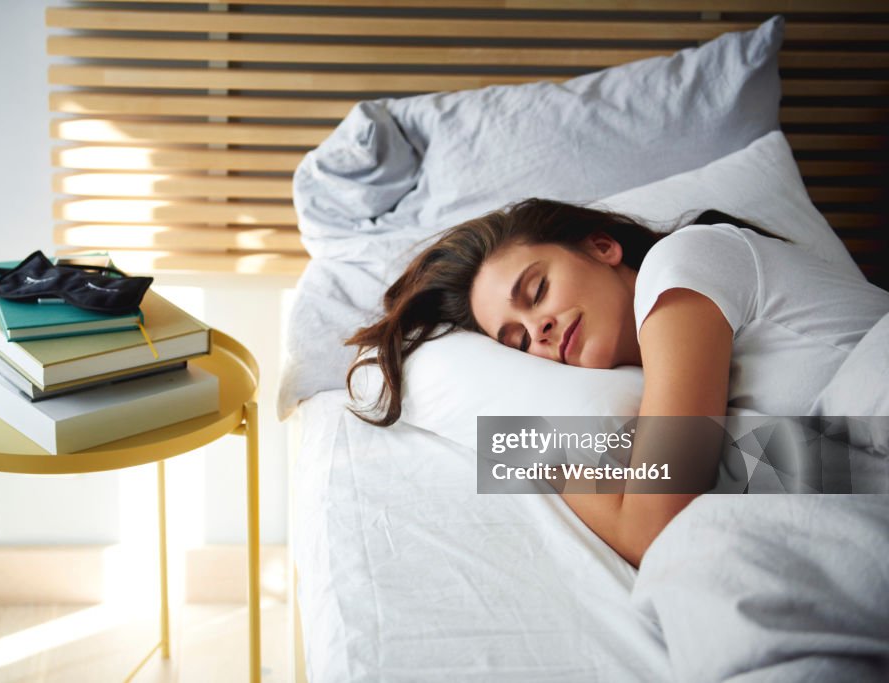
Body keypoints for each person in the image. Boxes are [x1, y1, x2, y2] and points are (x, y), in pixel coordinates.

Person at [345, 198, 889, 567]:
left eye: (536, 292)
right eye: (517, 342)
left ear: (602, 248)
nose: (539, 329)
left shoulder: (683, 262)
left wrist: (539, 458)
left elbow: (655, 527)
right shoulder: (673, 387)